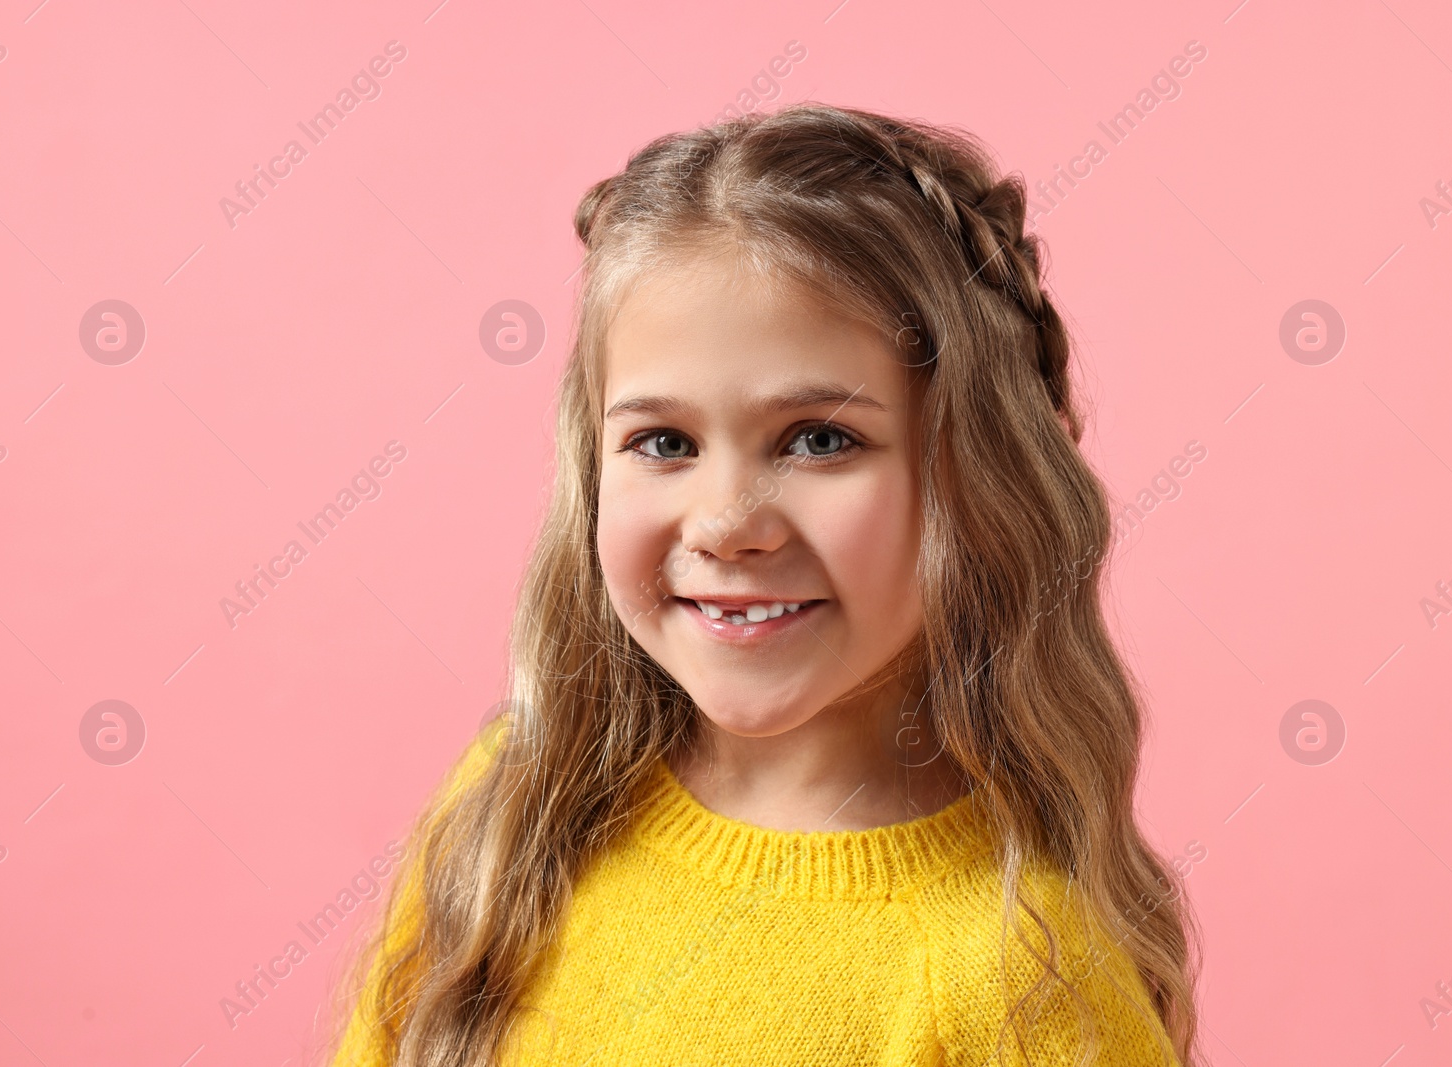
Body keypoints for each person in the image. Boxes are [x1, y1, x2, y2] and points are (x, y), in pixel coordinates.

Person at [323, 102, 1203, 1066]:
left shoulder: (1022, 984)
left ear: (977, 474)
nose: (727, 524)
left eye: (820, 440)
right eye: (664, 442)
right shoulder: (513, 811)